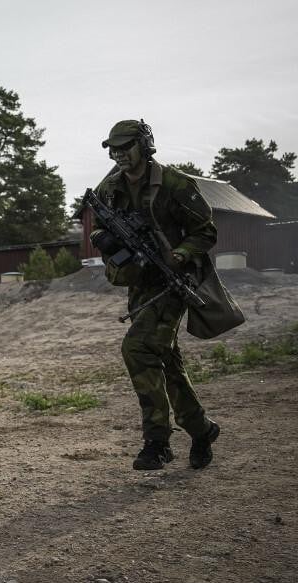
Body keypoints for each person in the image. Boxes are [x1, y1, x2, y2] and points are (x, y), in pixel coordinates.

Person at [89, 119, 220, 471]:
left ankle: (157, 443)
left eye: (125, 147)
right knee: (166, 360)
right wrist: (104, 239)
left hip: (172, 281)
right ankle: (201, 429)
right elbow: (99, 223)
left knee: (137, 347)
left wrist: (179, 254)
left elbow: (205, 231)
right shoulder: (110, 186)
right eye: (113, 149)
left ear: (144, 145)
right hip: (139, 284)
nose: (118, 154)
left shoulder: (175, 184)